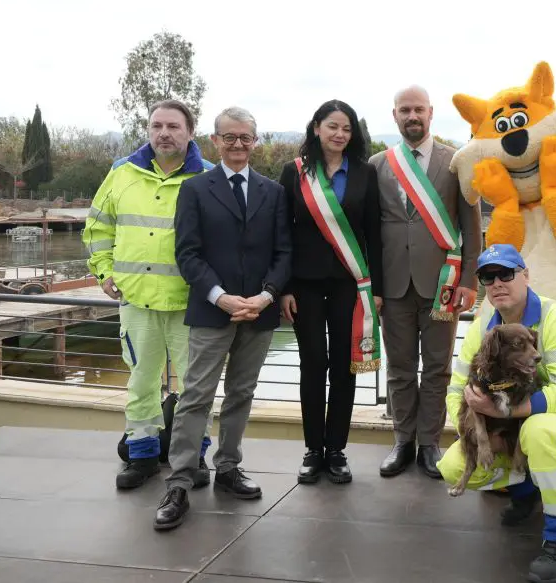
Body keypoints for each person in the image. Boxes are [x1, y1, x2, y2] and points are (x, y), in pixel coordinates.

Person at [153, 107, 291, 530]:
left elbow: (284, 252)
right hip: (212, 311)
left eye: (245, 137)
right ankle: (179, 482)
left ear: (255, 142)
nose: (237, 144)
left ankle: (228, 467)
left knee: (241, 394)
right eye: (229, 137)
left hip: (259, 313)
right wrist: (221, 297)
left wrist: (265, 297)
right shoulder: (194, 189)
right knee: (196, 396)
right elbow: (187, 253)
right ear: (215, 141)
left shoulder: (273, 192)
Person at [439, 243, 556, 583]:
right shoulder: (483, 328)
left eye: (506, 274)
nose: (497, 283)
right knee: (454, 466)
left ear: (525, 275)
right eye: (488, 277)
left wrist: (505, 413)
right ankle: (527, 489)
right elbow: (456, 391)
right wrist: (479, 430)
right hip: (512, 429)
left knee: (539, 431)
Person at [83, 98, 214, 490]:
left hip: (191, 303)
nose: (164, 133)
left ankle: (193, 456)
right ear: (148, 130)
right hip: (137, 299)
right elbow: (98, 227)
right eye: (157, 126)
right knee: (141, 380)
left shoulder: (209, 177)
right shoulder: (121, 173)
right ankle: (141, 456)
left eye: (173, 126)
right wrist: (103, 271)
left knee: (196, 386)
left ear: (190, 132)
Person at [370, 85, 482, 479]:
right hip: (393, 286)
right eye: (405, 110)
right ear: (395, 115)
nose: (412, 116)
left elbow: (472, 228)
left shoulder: (456, 162)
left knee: (437, 367)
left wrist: (469, 280)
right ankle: (403, 441)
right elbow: (369, 231)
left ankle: (430, 443)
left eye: (418, 109)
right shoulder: (378, 164)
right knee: (399, 368)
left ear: (431, 113)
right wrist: (373, 287)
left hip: (443, 285)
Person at [278, 100, 383, 484]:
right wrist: (284, 288)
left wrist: (377, 290)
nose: (340, 134)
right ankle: (313, 449)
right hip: (303, 285)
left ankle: (336, 449)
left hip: (349, 285)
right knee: (312, 364)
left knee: (344, 366)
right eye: (333, 126)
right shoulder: (294, 172)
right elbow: (282, 233)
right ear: (317, 128)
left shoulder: (365, 173)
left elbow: (373, 234)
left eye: (347, 128)